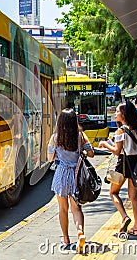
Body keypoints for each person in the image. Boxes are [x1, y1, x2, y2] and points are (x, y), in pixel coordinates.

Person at [48, 108, 94, 252]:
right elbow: (91, 153)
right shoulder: (81, 136)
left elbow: (50, 158)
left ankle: (66, 238)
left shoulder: (55, 138)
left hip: (61, 175)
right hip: (76, 176)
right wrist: (83, 152)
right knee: (76, 208)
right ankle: (80, 232)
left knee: (62, 209)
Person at [98, 101, 137, 236]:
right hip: (136, 164)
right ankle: (136, 228)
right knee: (134, 197)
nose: (115, 114)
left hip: (123, 164)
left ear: (123, 114)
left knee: (113, 192)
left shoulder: (121, 130)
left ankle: (124, 216)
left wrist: (104, 144)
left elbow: (117, 151)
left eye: (118, 111)